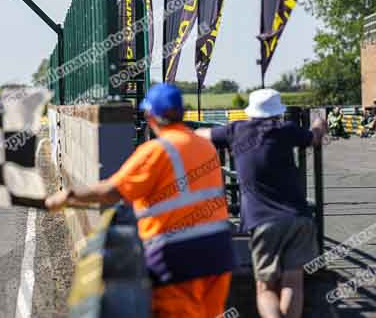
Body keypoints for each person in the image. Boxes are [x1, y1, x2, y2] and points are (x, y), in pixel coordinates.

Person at [46, 83, 235, 318]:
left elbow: (113, 191)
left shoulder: (155, 151)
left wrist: (68, 196)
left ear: (150, 116)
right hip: (218, 253)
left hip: (177, 257)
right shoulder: (205, 146)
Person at [196, 89, 326, 318]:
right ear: (278, 113)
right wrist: (318, 122)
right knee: (293, 283)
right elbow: (314, 137)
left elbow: (202, 134)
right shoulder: (286, 130)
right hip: (298, 217)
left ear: (251, 112)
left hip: (262, 220)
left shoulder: (236, 130)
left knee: (265, 288)